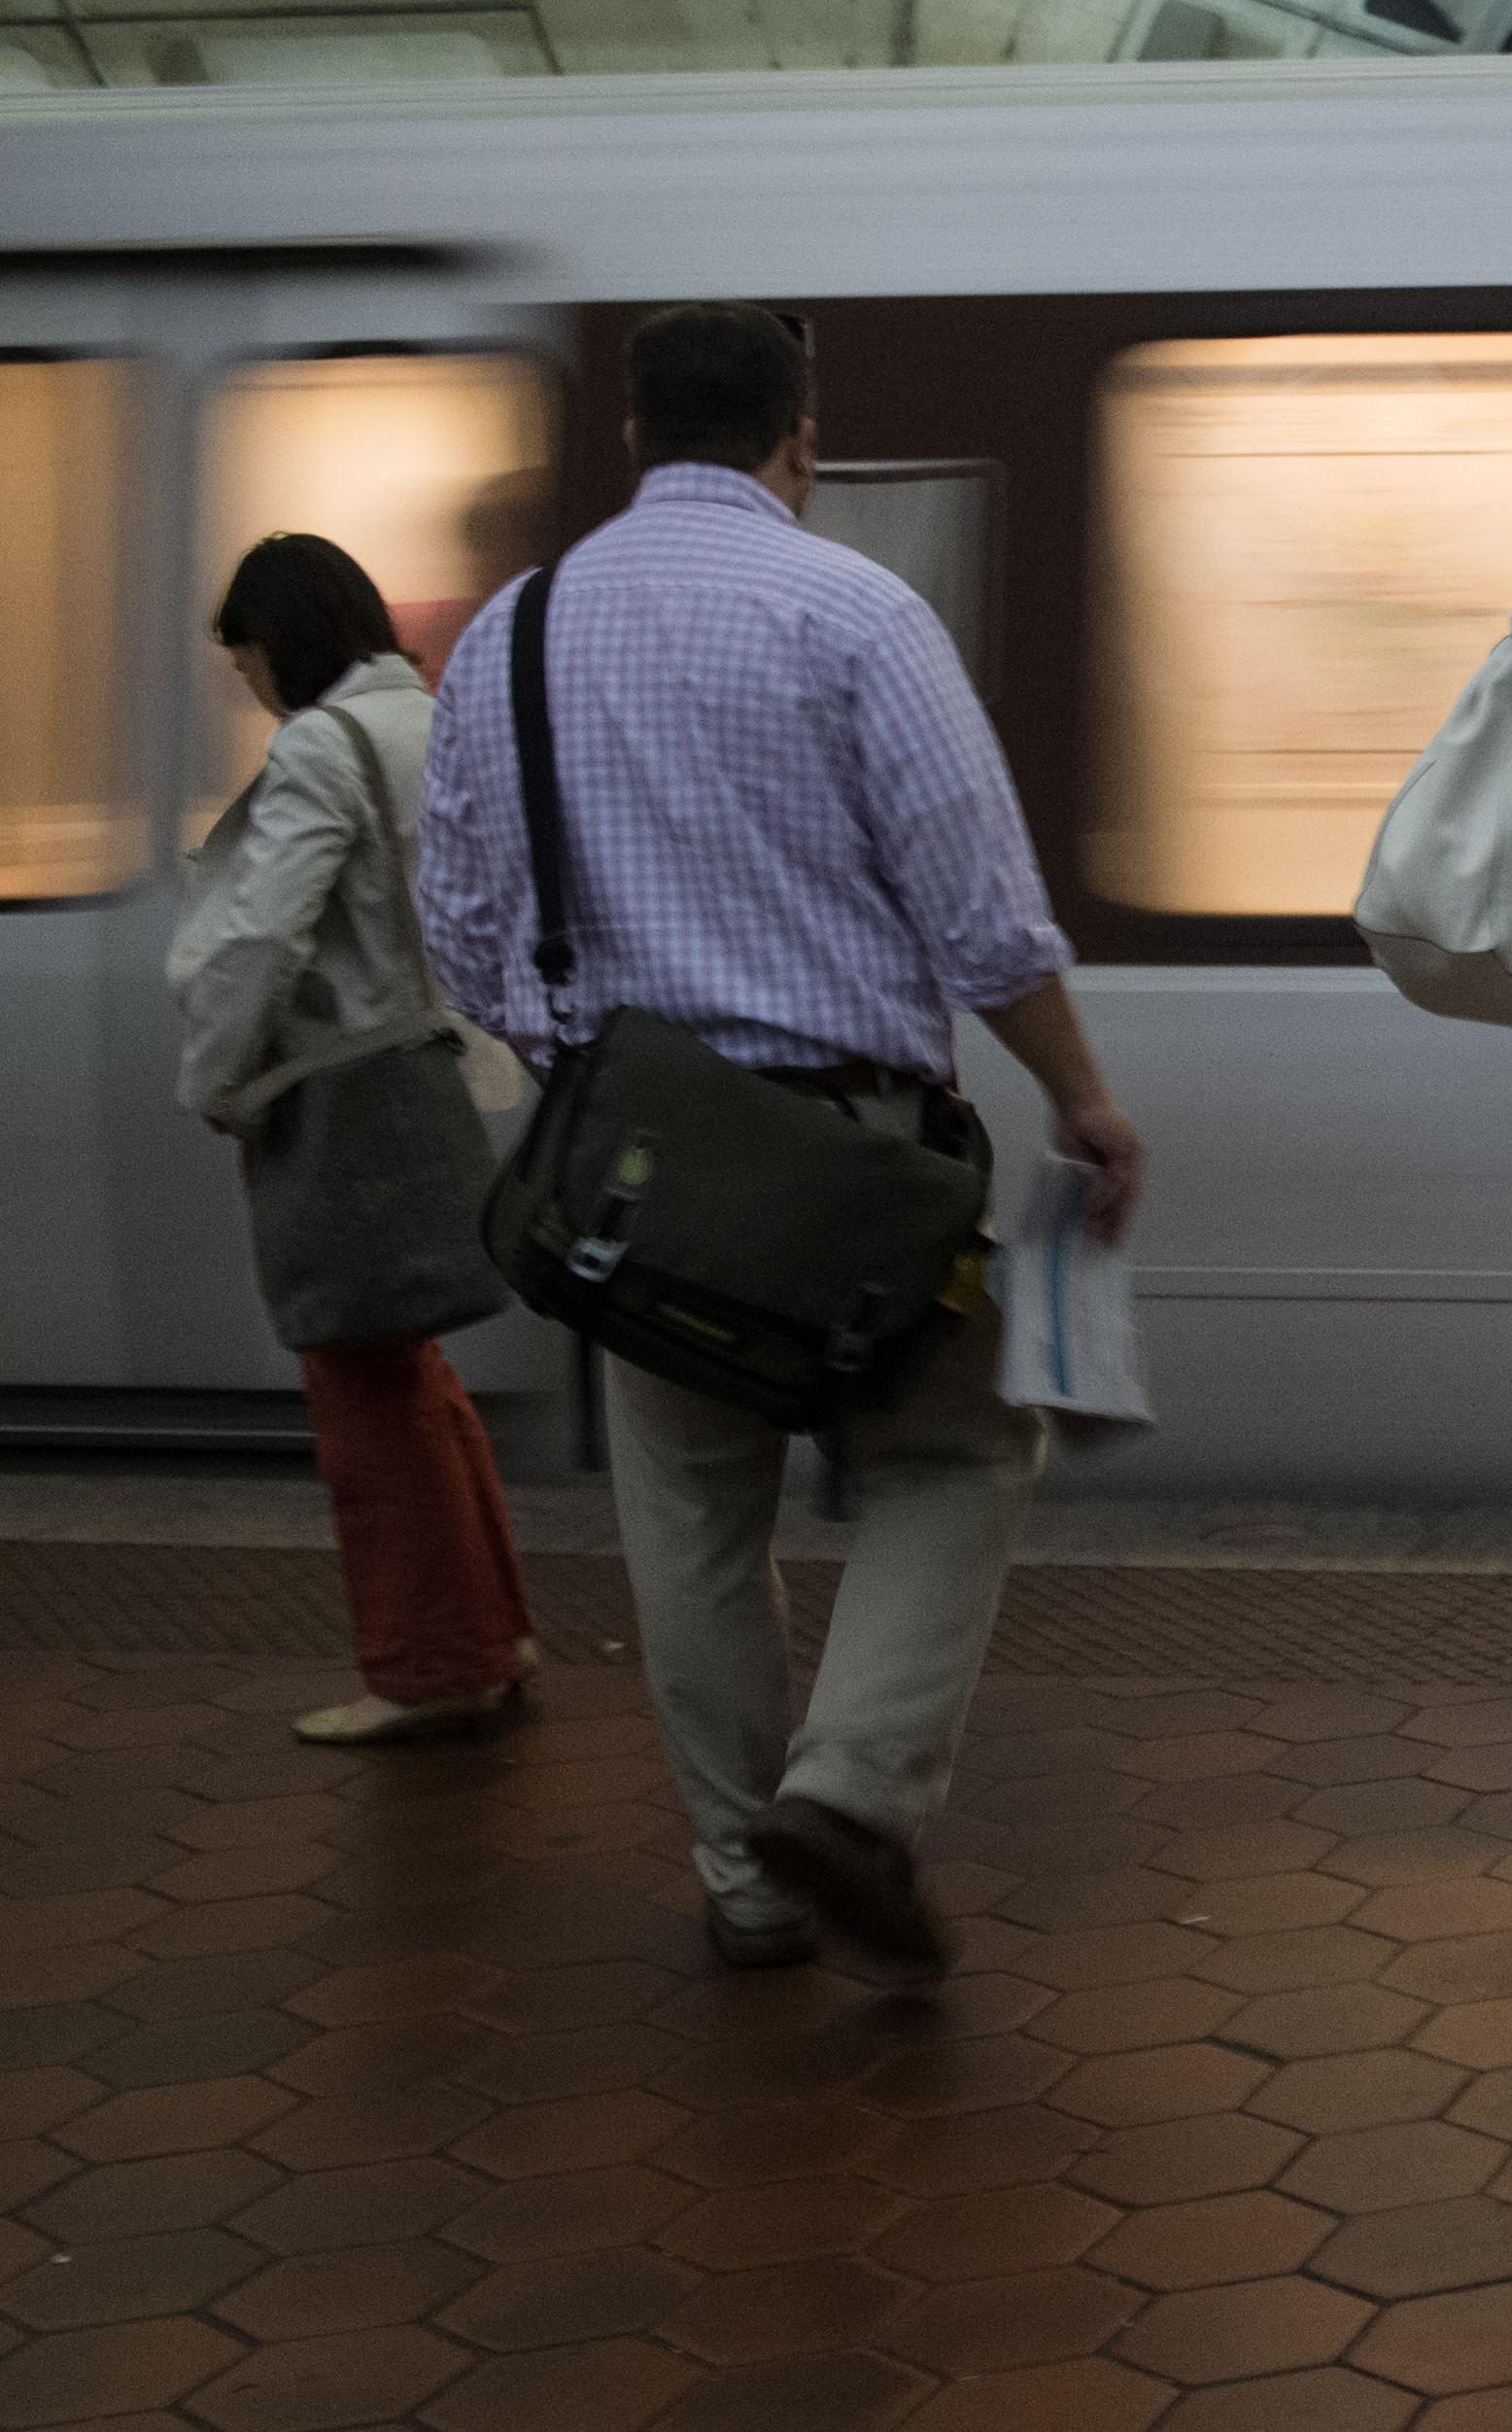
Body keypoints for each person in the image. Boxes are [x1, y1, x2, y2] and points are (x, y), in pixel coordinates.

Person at [419, 303, 1145, 1978]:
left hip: (639, 1172)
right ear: (797, 436)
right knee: (958, 1452)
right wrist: (1086, 1099)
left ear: (632, 436)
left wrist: (597, 1061)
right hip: (855, 1162)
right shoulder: (858, 614)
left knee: (688, 1523)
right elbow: (984, 918)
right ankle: (850, 1783)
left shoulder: (516, 634)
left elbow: (460, 929)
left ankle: (749, 1881)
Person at [174, 535, 535, 1748]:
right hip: (417, 1070)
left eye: (251, 662)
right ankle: (490, 1635)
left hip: (341, 1099)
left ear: (285, 641)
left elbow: (265, 937)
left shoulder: (325, 747)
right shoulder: (424, 722)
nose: (254, 688)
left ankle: (431, 1668)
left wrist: (217, 1077)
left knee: (364, 1400)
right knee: (416, 1383)